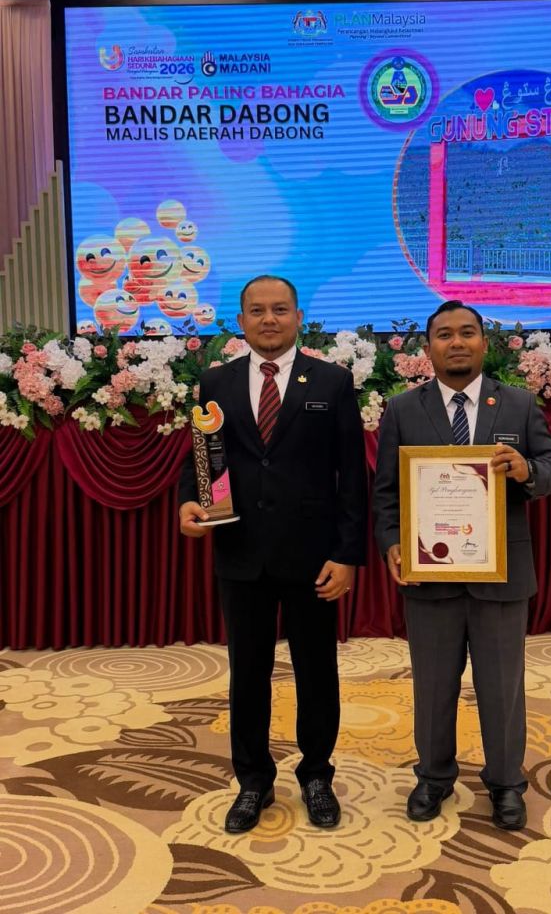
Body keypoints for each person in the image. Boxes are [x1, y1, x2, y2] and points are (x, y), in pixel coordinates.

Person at [179, 275, 367, 833]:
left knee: (317, 671)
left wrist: (347, 554)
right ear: (241, 321)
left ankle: (317, 775)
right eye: (257, 311)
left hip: (313, 556)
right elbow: (202, 458)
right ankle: (253, 781)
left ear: (298, 317)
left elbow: (352, 475)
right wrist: (190, 501)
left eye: (280, 309)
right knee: (248, 673)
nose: (269, 319)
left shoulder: (331, 381)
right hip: (241, 553)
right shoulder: (215, 381)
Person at [372, 299, 551, 830]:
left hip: (501, 575)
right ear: (428, 347)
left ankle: (505, 784)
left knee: (502, 688)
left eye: (467, 332)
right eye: (444, 334)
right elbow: (386, 491)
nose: (456, 342)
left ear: (484, 342)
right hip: (429, 575)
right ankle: (434, 778)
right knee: (433, 686)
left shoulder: (519, 404)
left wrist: (527, 468)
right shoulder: (403, 410)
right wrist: (391, 543)